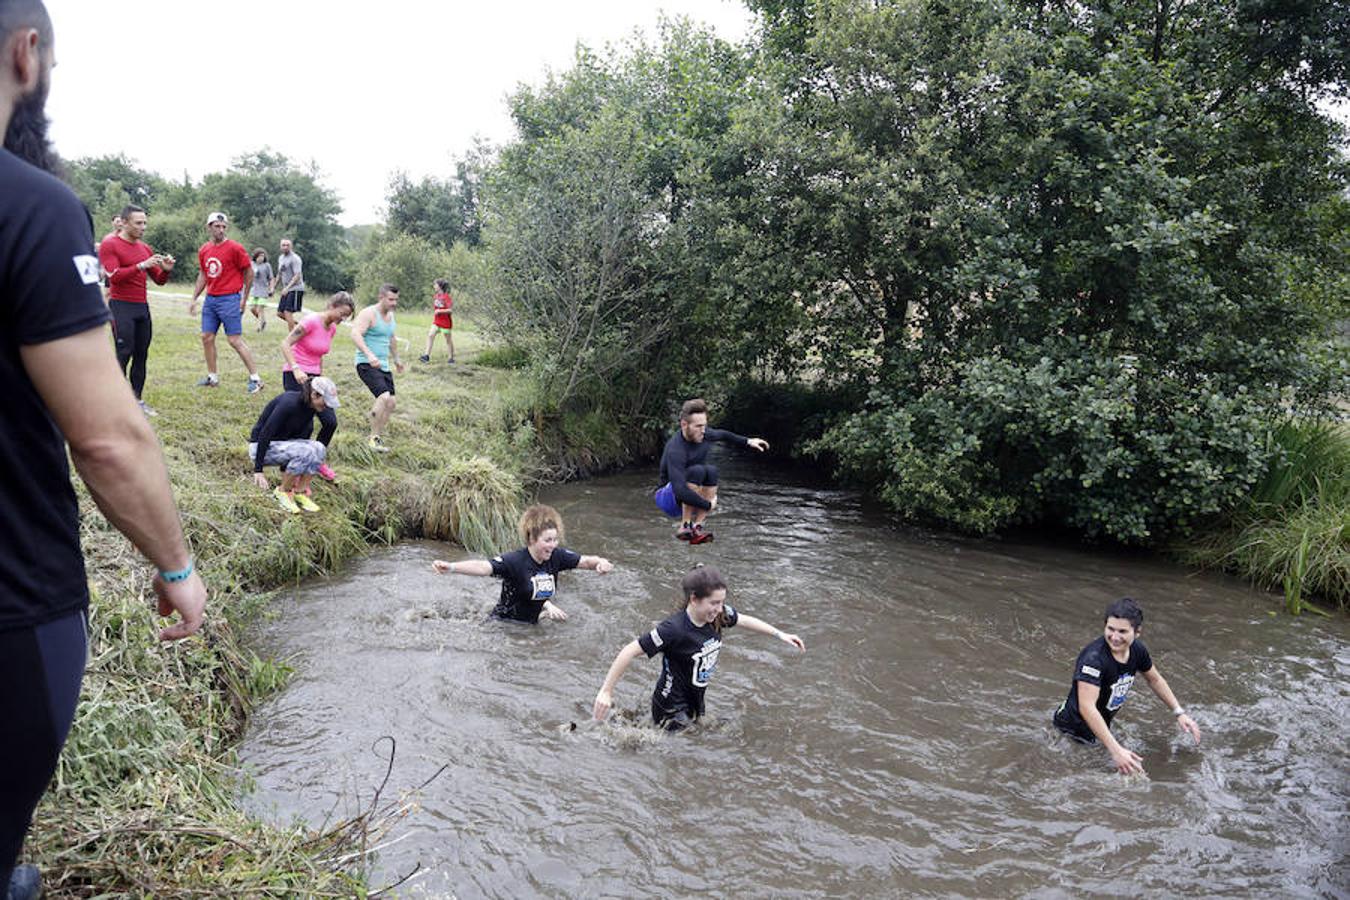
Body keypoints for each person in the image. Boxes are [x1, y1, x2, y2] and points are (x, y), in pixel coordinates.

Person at [0, 5, 207, 896]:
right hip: (12, 597)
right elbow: (108, 436)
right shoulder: (34, 207)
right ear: (26, 51)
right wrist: (176, 562)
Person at [592, 565, 803, 730]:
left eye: (722, 602)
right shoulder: (673, 629)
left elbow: (744, 620)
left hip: (694, 699)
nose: (720, 609)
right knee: (683, 751)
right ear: (694, 598)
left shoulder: (717, 616)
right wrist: (606, 691)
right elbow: (629, 650)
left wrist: (780, 634)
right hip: (670, 706)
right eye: (714, 603)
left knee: (705, 731)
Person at [1052, 597, 1202, 774]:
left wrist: (1179, 713)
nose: (1115, 637)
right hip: (1071, 731)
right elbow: (1087, 707)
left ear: (1137, 632)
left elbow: (1155, 679)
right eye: (1110, 629)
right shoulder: (1093, 660)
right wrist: (1116, 751)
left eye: (1122, 631)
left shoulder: (1137, 650)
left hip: (1101, 725)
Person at [431, 504, 613, 623]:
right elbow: (483, 567)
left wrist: (601, 562)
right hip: (504, 626)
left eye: (555, 540)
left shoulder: (557, 557)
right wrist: (452, 567)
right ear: (532, 538)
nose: (553, 545)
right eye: (547, 540)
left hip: (531, 625)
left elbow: (586, 561)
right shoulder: (515, 561)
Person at [654, 398, 769, 544]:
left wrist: (748, 441)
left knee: (711, 471)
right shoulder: (675, 450)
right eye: (698, 426)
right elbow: (680, 491)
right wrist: (708, 505)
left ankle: (697, 527)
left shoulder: (704, 434)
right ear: (684, 425)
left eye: (705, 426)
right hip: (668, 498)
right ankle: (685, 525)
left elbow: (724, 435)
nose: (704, 431)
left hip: (688, 491)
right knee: (697, 471)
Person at [98, 204, 174, 416]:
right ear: (124, 222)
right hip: (121, 305)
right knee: (124, 352)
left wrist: (166, 271)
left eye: (145, 222)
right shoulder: (110, 244)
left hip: (141, 306)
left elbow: (158, 279)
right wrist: (141, 265)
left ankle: (137, 400)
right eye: (138, 223)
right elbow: (113, 276)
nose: (143, 227)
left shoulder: (144, 248)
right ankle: (114, 401)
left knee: (141, 354)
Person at [279, 291, 354, 482]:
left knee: (330, 421)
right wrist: (296, 369)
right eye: (342, 313)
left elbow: (320, 355)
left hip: (315, 377)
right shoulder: (311, 321)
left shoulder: (332, 329)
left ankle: (316, 459)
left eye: (347, 317)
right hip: (295, 374)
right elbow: (285, 344)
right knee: (304, 424)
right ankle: (292, 469)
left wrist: (322, 379)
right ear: (332, 306)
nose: (343, 319)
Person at [189, 211, 264, 392]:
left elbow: (249, 272)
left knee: (234, 340)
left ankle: (256, 378)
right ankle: (212, 377)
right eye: (217, 226)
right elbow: (203, 274)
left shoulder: (235, 248)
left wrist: (243, 299)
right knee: (206, 337)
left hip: (230, 298)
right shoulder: (204, 250)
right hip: (211, 299)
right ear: (209, 227)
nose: (221, 230)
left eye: (223, 227)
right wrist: (194, 298)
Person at [248, 377, 339, 513]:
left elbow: (301, 437)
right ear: (314, 394)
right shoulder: (289, 403)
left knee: (319, 448)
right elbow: (265, 433)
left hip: (284, 446)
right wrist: (258, 470)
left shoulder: (311, 407)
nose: (326, 406)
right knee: (306, 451)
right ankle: (282, 491)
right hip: (261, 447)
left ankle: (299, 492)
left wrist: (291, 468)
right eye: (325, 402)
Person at [350, 283, 404, 453]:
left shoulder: (391, 315)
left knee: (392, 402)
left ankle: (377, 436)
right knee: (384, 397)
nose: (394, 303)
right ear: (381, 297)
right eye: (391, 299)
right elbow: (355, 333)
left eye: (396, 299)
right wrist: (369, 354)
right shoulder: (369, 313)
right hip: (366, 363)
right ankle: (372, 438)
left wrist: (396, 359)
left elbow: (392, 338)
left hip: (384, 365)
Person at [269, 237, 304, 330]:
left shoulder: (295, 259)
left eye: (287, 245)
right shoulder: (281, 258)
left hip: (295, 288)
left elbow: (297, 276)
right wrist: (273, 288)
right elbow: (279, 274)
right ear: (280, 247)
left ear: (291, 246)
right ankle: (301, 326)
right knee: (280, 313)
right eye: (283, 245)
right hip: (286, 289)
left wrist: (287, 288)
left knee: (288, 312)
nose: (285, 247)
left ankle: (292, 336)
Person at [419, 278, 454, 364]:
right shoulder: (436, 296)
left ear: (440, 286)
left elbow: (450, 310)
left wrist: (440, 311)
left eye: (435, 285)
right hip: (437, 322)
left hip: (446, 323)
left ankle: (451, 358)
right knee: (430, 335)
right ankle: (426, 356)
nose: (434, 286)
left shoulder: (446, 297)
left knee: (448, 340)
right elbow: (436, 308)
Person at [247, 248, 272, 332]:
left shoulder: (267, 265)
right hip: (253, 289)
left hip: (263, 289)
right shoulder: (251, 264)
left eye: (263, 256)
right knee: (252, 309)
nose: (261, 258)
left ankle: (259, 327)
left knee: (260, 309)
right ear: (256, 256)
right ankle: (263, 321)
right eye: (260, 256)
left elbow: (271, 278)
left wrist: (271, 288)